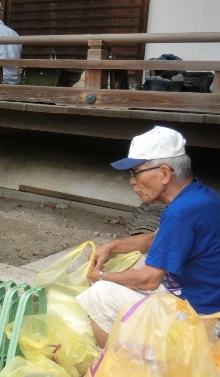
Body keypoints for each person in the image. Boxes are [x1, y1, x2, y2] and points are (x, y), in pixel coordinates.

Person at [76, 126, 220, 348]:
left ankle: (113, 366)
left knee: (100, 294)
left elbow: (149, 279)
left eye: (135, 172)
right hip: (201, 296)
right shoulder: (200, 195)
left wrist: (102, 276)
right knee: (134, 262)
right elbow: (155, 241)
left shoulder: (181, 212)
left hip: (205, 320)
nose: (132, 181)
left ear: (163, 173)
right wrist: (112, 247)